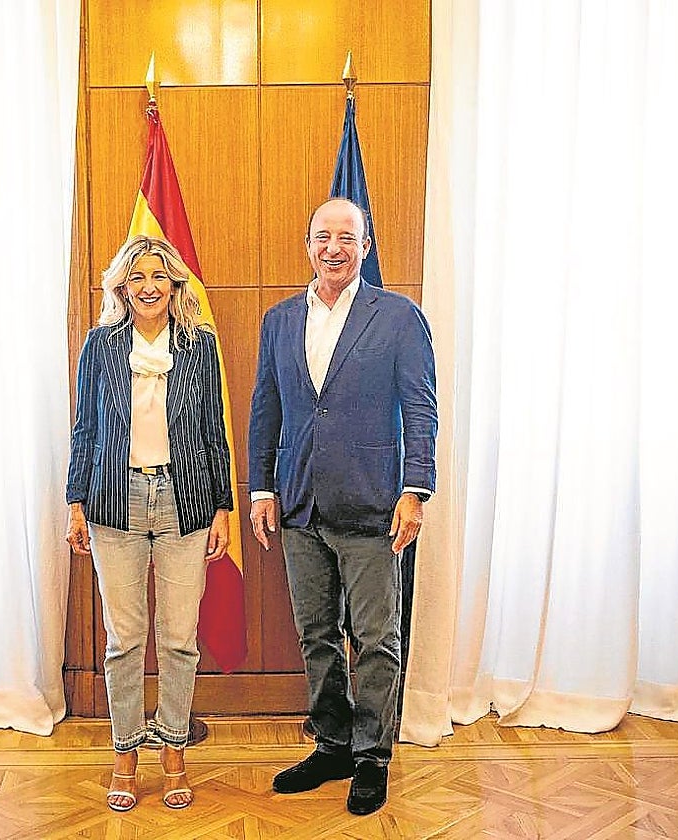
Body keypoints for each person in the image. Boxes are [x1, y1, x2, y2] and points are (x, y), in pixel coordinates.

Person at [248, 198, 437, 816]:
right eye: (323, 237)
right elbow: (265, 410)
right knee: (317, 634)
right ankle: (331, 743)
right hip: (300, 504)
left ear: (366, 244)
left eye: (347, 238)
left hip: (373, 506)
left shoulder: (399, 317)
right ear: (308, 244)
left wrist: (415, 489)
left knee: (377, 637)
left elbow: (420, 408)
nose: (334, 248)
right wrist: (260, 489)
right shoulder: (279, 320)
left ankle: (372, 756)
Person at [66, 235, 233, 812]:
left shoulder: (198, 346)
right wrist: (75, 501)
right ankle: (125, 752)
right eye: (136, 278)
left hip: (185, 500)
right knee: (125, 638)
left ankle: (175, 751)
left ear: (175, 284)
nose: (148, 287)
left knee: (180, 638)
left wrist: (222, 507)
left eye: (158, 276)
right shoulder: (100, 346)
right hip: (116, 501)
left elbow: (215, 430)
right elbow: (84, 426)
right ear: (122, 287)